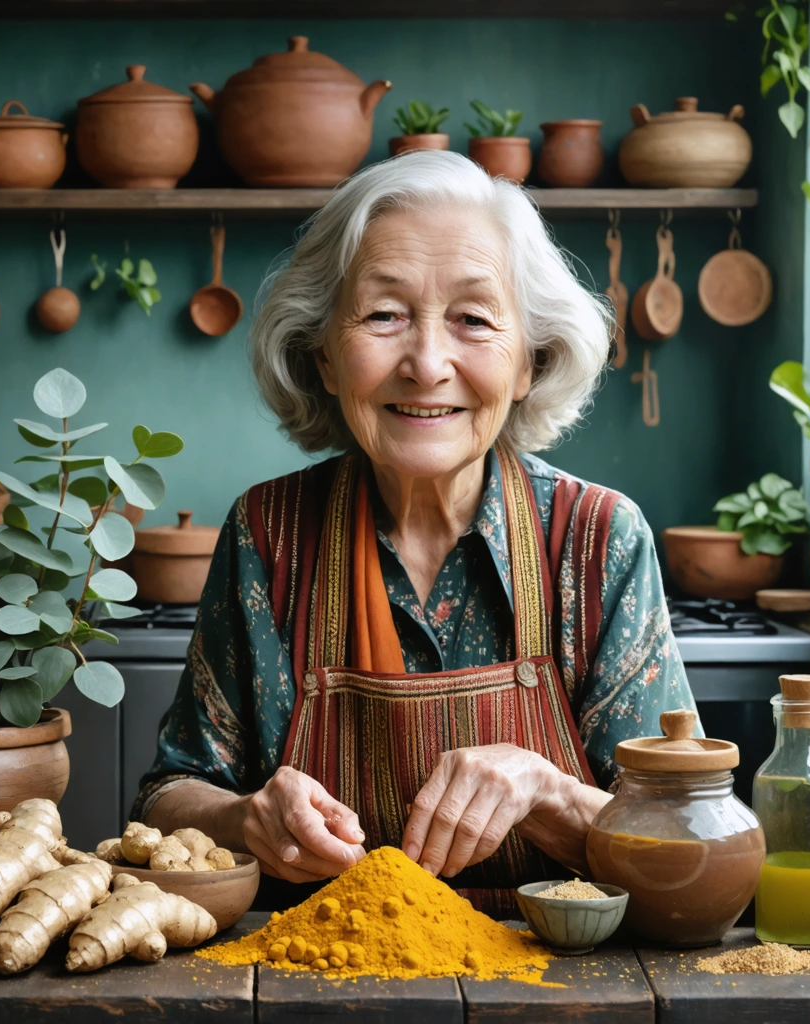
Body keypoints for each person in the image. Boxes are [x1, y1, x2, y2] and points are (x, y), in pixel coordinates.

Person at [131, 151, 696, 912]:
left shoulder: (596, 541)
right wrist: (242, 818)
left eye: (473, 319)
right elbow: (167, 797)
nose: (428, 364)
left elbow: (688, 843)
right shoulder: (269, 535)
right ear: (325, 354)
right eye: (385, 315)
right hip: (312, 986)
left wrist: (546, 792)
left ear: (529, 361)